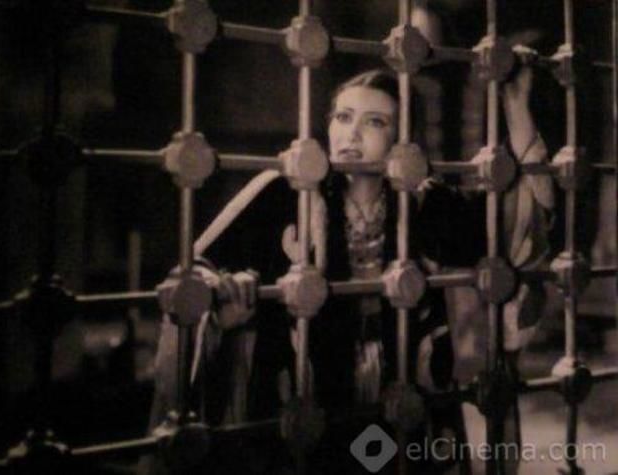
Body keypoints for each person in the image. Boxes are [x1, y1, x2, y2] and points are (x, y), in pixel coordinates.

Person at [144, 59, 553, 475]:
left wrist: (516, 104)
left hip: (391, 403)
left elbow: (513, 232)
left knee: (378, 463)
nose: (351, 134)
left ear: (402, 140)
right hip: (300, 400)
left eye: (374, 122)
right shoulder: (285, 190)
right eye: (342, 117)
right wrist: (226, 295)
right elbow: (193, 271)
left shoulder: (422, 203)